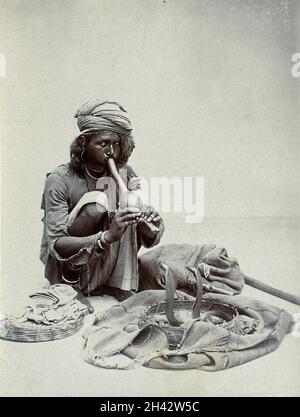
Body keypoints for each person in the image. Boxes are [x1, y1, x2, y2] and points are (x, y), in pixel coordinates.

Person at [40, 100, 164, 301]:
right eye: (103, 143)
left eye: (115, 143)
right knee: (97, 202)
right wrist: (107, 236)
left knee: (128, 205)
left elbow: (150, 241)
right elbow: (56, 243)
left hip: (104, 268)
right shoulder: (59, 178)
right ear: (83, 144)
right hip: (69, 272)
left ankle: (121, 283)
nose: (111, 151)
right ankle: (70, 283)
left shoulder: (126, 174)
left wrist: (148, 221)